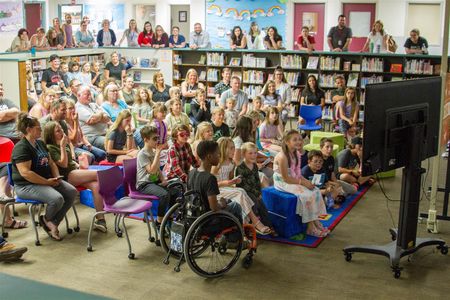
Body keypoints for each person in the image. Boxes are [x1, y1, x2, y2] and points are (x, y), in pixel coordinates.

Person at [11, 113, 77, 241]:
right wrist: (47, 182)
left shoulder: (40, 143)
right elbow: (26, 173)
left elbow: (51, 162)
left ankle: (51, 222)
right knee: (57, 199)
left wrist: (57, 177)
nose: (41, 130)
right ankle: (48, 221)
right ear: (29, 130)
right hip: (26, 185)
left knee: (71, 192)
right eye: (38, 127)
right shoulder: (21, 148)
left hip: (45, 181)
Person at [43, 121, 107, 232]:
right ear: (51, 135)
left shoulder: (62, 143)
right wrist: (63, 146)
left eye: (61, 129)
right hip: (66, 176)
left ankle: (100, 220)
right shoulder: (51, 147)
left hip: (74, 172)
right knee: (99, 174)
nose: (62, 132)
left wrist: (77, 164)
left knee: (96, 186)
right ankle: (112, 200)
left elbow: (70, 161)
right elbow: (63, 164)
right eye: (58, 131)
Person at [273, 130, 329, 237]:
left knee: (316, 191)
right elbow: (286, 178)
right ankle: (310, 227)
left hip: (293, 178)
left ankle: (315, 219)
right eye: (295, 140)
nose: (298, 142)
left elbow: (297, 172)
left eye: (299, 139)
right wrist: (302, 183)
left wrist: (306, 181)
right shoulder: (282, 157)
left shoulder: (297, 154)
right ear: (286, 142)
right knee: (306, 195)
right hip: (282, 181)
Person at [213, 138, 273, 235]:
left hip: (228, 189)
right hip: (217, 191)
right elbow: (212, 184)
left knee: (242, 192)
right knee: (240, 192)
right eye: (231, 148)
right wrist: (228, 183)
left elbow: (231, 180)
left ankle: (247, 224)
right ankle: (256, 222)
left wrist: (236, 181)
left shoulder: (231, 163)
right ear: (223, 149)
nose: (234, 150)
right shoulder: (216, 164)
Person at [188, 140, 242, 222]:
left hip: (194, 214)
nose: (220, 157)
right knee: (236, 206)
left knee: (229, 201)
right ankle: (238, 233)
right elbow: (214, 208)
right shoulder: (210, 178)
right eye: (218, 154)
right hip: (207, 219)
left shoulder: (192, 172)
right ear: (209, 157)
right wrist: (222, 203)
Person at [136, 125, 177, 225]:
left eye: (157, 138)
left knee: (175, 190)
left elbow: (158, 169)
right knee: (164, 195)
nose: (157, 141)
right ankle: (159, 221)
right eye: (154, 139)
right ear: (146, 139)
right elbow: (152, 171)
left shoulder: (153, 151)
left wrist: (163, 180)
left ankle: (170, 216)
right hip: (144, 184)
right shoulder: (142, 154)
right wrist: (158, 153)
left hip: (154, 181)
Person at [235, 142, 274, 233]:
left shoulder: (255, 166)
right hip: (245, 192)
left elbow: (257, 180)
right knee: (254, 202)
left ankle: (268, 225)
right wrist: (256, 193)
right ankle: (254, 223)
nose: (253, 155)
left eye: (255, 153)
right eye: (250, 153)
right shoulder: (240, 168)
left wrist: (259, 192)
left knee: (263, 205)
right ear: (244, 154)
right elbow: (243, 185)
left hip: (255, 191)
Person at [66, 99, 106, 164]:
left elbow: (82, 135)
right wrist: (76, 122)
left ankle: (96, 169)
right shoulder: (65, 123)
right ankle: (89, 171)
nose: (73, 110)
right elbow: (73, 140)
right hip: (74, 147)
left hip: (81, 144)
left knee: (102, 154)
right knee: (91, 156)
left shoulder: (74, 119)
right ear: (65, 110)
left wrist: (87, 143)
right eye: (70, 108)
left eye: (73, 108)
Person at [76, 86, 110, 151]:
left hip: (104, 133)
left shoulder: (94, 105)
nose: (89, 97)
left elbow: (107, 118)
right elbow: (92, 120)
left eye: (90, 94)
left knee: (122, 137)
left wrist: (97, 117)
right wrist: (101, 114)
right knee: (112, 142)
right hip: (92, 137)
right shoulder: (78, 108)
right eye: (87, 95)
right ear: (78, 95)